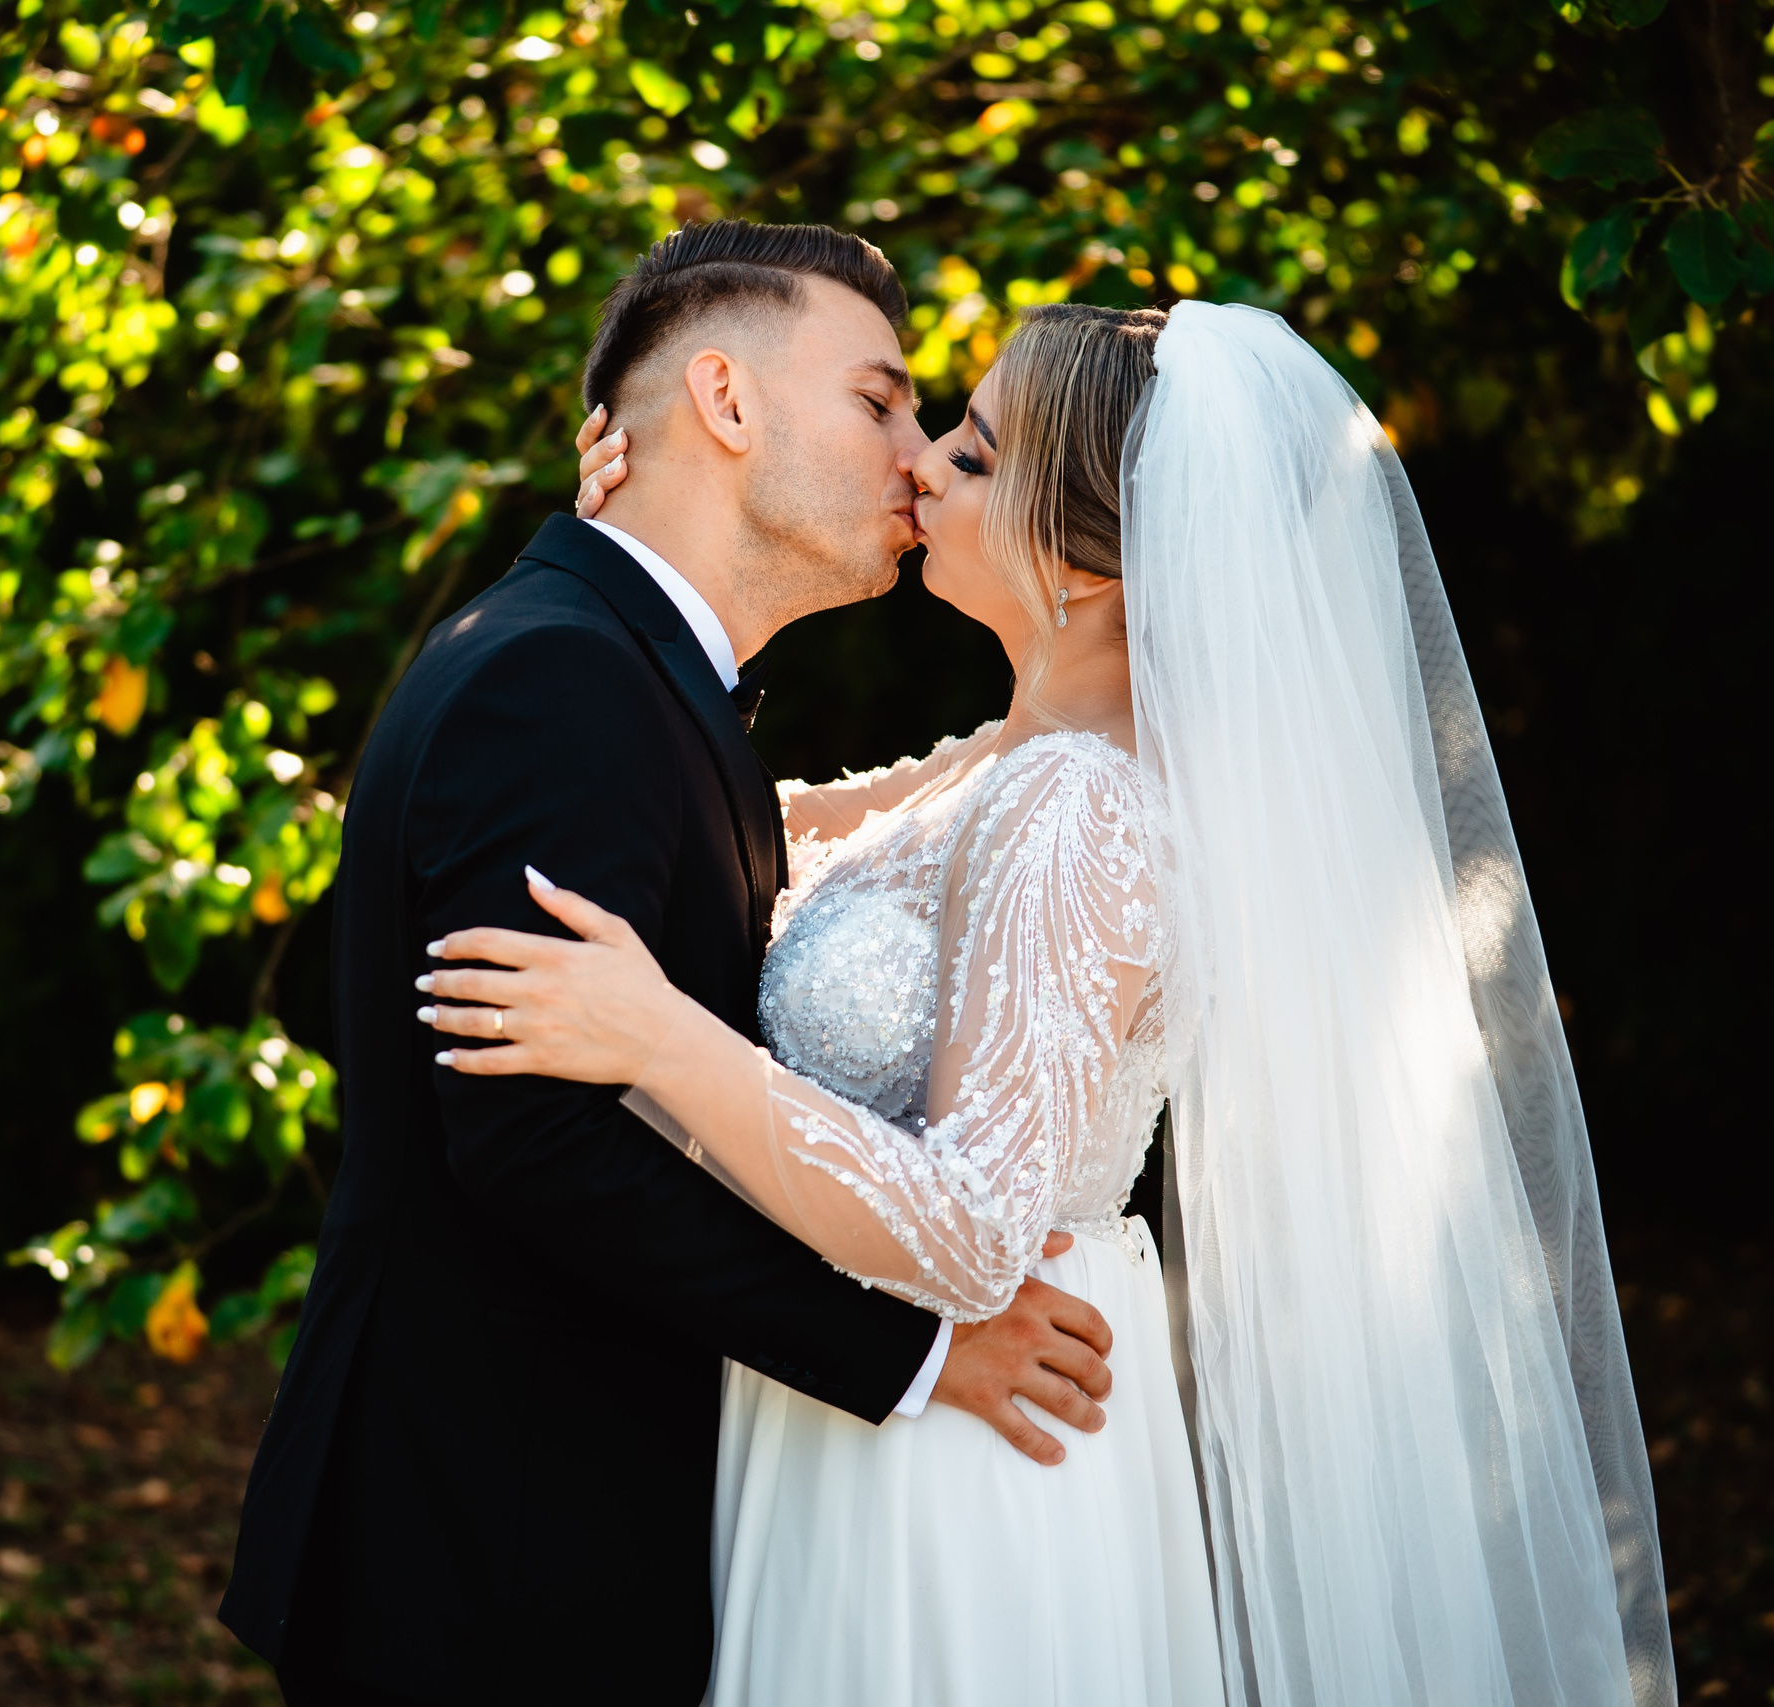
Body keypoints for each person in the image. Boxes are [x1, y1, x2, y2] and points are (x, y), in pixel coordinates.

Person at [424, 295, 1675, 1706]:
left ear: (1093, 563)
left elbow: (966, 1233)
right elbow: (727, 826)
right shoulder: (1007, 767)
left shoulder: (1077, 812)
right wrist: (654, 544)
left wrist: (660, 1041)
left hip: (964, 1457)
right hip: (878, 1416)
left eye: (972, 450)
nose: (919, 464)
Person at [219, 224, 1123, 1707]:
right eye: (883, 400)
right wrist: (913, 1358)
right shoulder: (560, 680)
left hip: (546, 1524)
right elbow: (536, 1144)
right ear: (724, 399)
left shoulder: (600, 662)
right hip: (495, 1544)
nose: (915, 456)